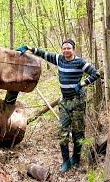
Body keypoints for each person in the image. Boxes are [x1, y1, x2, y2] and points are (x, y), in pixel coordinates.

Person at [16, 39, 100, 172]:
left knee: (78, 132)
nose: (66, 50)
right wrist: (28, 47)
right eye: (64, 48)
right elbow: (44, 54)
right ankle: (66, 161)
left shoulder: (80, 62)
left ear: (73, 50)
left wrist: (82, 84)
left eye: (69, 48)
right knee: (62, 132)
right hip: (65, 102)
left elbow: (96, 74)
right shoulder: (59, 59)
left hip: (78, 101)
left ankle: (76, 158)